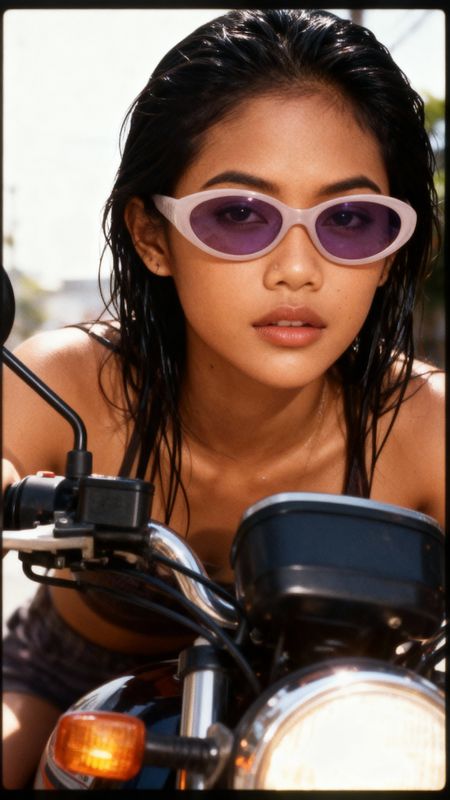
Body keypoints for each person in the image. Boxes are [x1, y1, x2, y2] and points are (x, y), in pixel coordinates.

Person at [2, 7, 444, 789]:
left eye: (349, 219)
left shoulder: (426, 423)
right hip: (69, 678)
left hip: (336, 722)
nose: (298, 269)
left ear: (389, 253)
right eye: (239, 215)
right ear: (152, 236)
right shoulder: (68, 383)